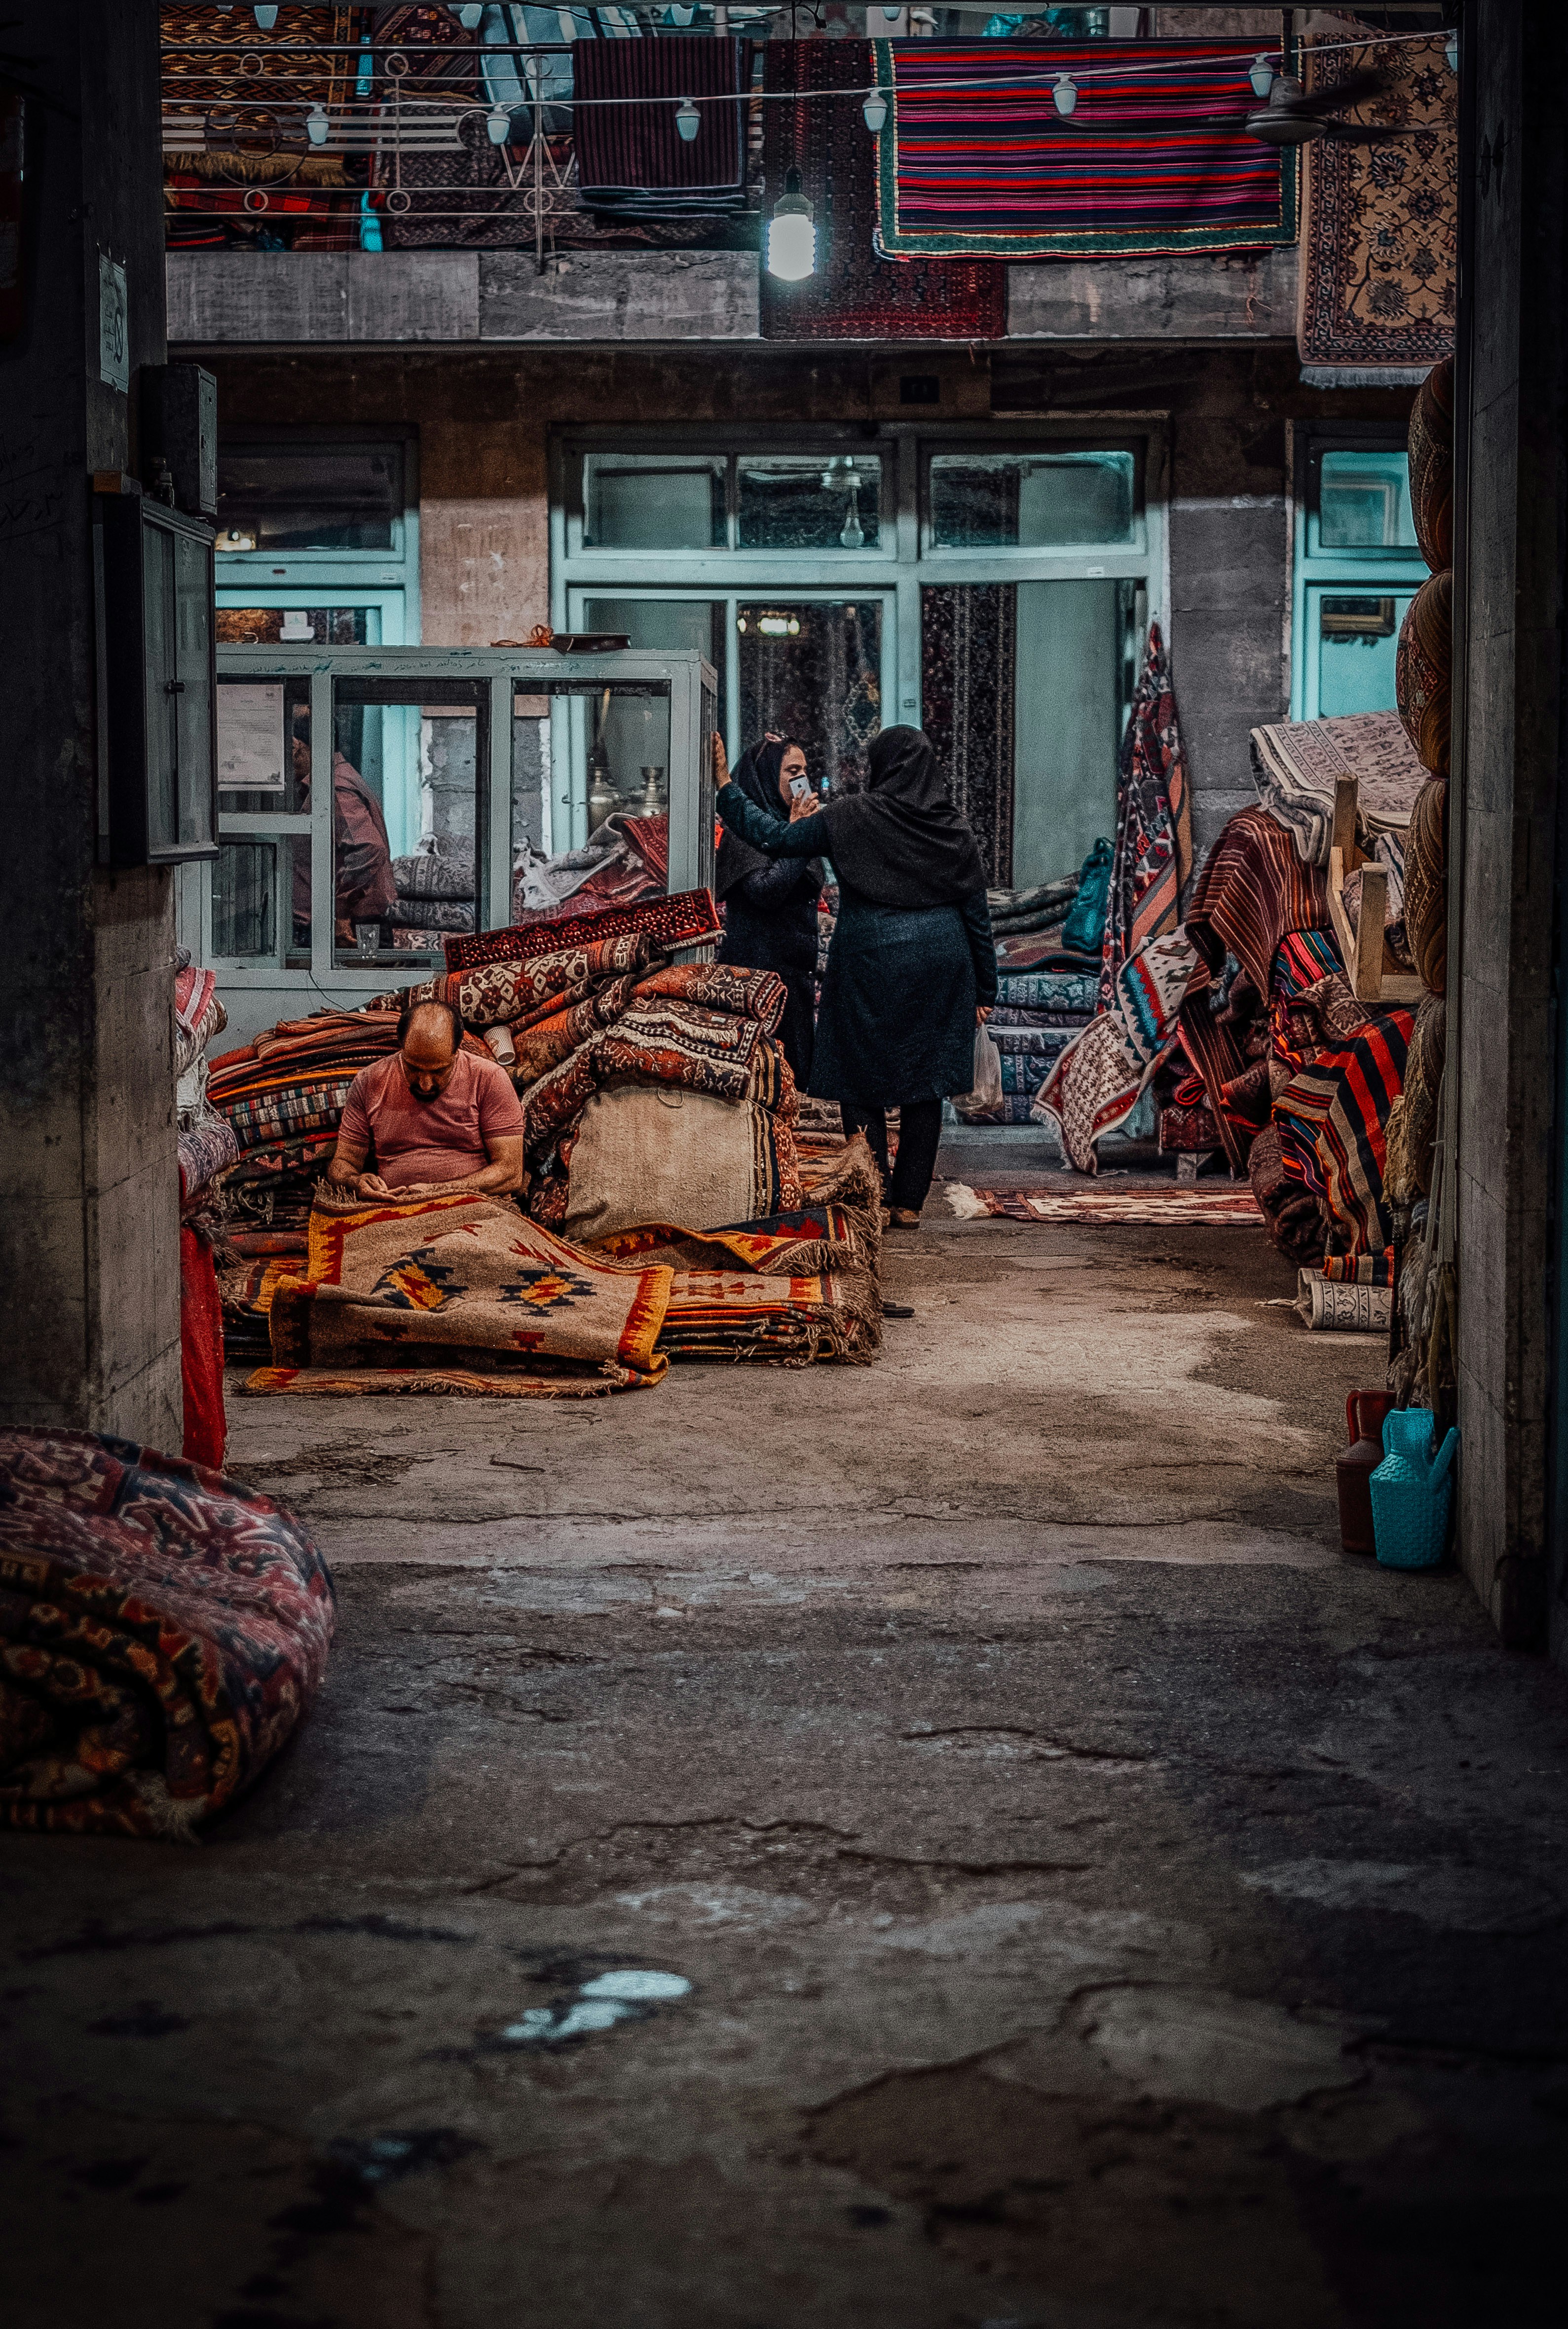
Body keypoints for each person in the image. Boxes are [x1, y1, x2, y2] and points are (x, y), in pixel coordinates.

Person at [714, 725, 997, 1226]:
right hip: (941, 962)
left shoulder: (850, 816)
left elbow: (772, 836)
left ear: (880, 768)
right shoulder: (953, 829)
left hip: (870, 960)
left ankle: (873, 1193)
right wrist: (984, 988)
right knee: (926, 1082)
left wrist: (724, 786)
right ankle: (909, 1204)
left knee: (857, 1075)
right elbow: (976, 913)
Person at [327, 999, 526, 1202]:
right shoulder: (369, 1081)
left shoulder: (489, 1078)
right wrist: (355, 1182)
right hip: (395, 1206)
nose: (425, 1085)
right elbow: (343, 1164)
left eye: (439, 1071)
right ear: (402, 1047)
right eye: (413, 1068)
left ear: (456, 1051)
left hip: (474, 1203)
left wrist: (441, 1191)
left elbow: (511, 1173)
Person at [715, 732, 823, 1089]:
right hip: (759, 982)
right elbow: (766, 891)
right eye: (792, 771)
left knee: (796, 1083)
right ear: (766, 776)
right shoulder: (743, 833)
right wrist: (797, 834)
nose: (801, 779)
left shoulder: (790, 824)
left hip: (794, 978)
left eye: (804, 770)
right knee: (766, 1084)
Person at [290, 724, 399, 948]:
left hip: (348, 925)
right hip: (341, 921)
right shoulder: (335, 779)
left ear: (297, 746)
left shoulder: (334, 786)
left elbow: (368, 848)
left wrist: (340, 910)